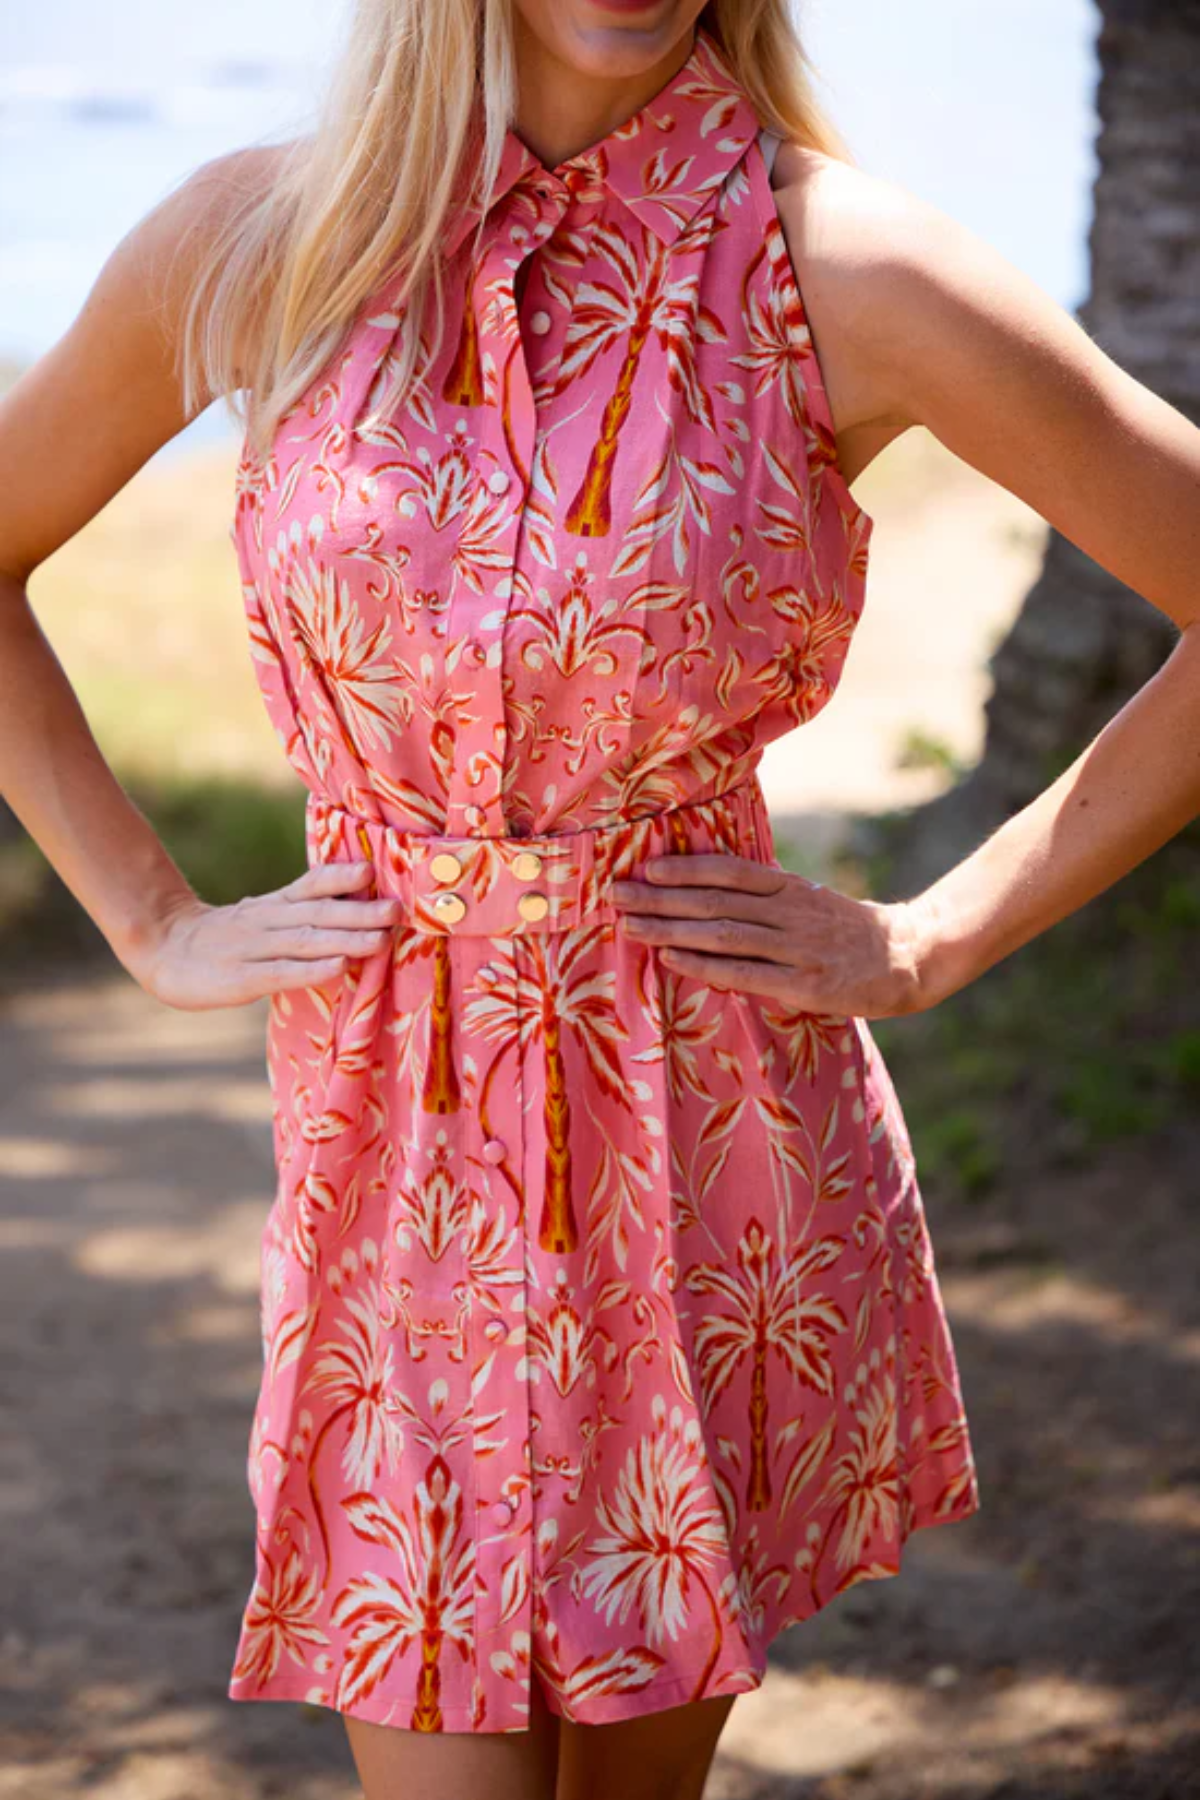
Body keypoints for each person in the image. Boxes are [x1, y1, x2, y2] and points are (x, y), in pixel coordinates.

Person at [3, 1, 1199, 1797]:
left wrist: (942, 932)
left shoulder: (844, 266)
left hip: (702, 1149)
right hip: (390, 1163)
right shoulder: (262, 244)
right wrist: (150, 918)